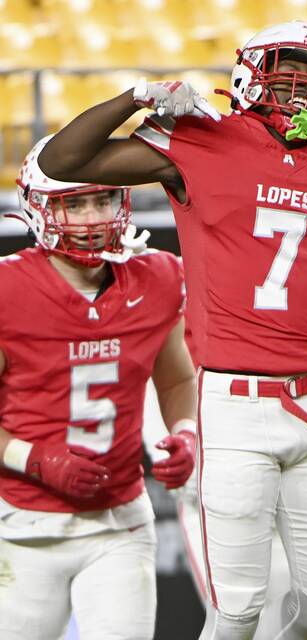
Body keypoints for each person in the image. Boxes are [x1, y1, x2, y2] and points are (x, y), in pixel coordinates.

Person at [38, 21, 307, 640]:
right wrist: (138, 96)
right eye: (288, 81)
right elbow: (61, 160)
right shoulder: (203, 139)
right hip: (236, 403)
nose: (301, 98)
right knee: (238, 609)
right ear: (251, 78)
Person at [0, 138, 197, 640]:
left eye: (102, 200)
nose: (91, 218)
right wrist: (36, 459)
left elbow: (175, 377)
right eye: (75, 203)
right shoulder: (9, 290)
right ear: (39, 209)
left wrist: (187, 432)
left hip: (120, 519)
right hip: (21, 523)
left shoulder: (157, 277)